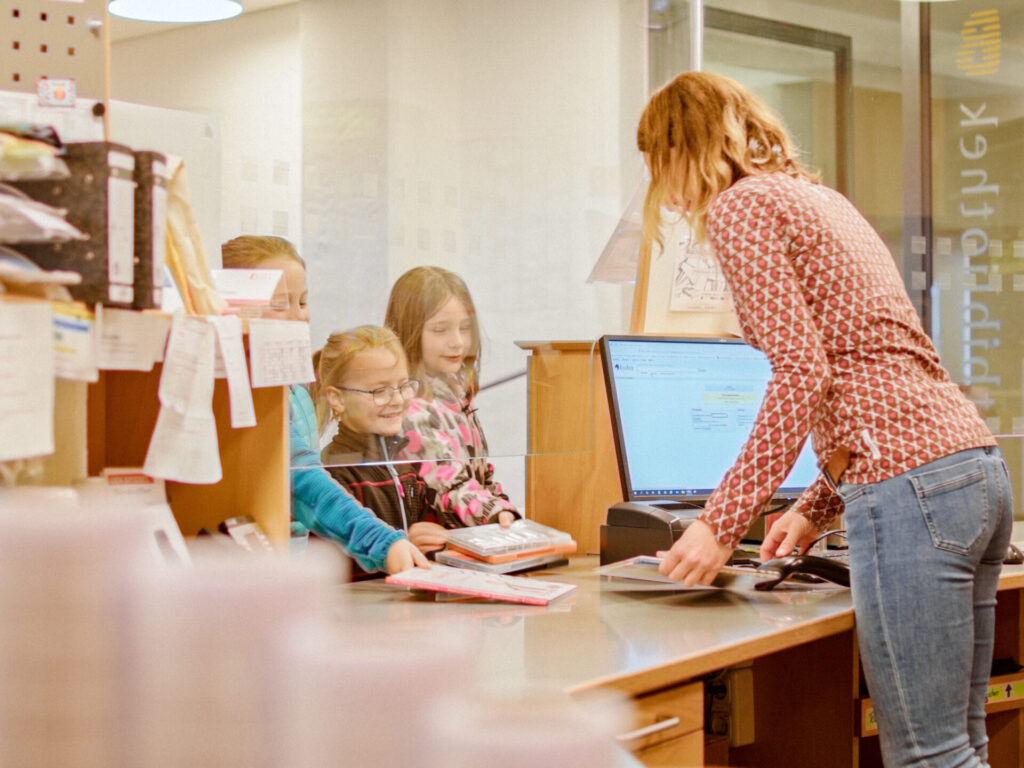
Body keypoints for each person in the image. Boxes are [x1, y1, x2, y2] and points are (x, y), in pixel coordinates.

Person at [639, 72, 1012, 767]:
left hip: (913, 490)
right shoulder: (818, 199)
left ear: (684, 149)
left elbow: (804, 373)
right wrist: (815, 508)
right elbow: (870, 369)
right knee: (964, 748)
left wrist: (720, 523)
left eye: (657, 162)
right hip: (974, 471)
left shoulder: (741, 208)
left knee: (929, 757)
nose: (661, 186)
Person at [220, 236, 428, 575]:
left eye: (302, 303)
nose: (297, 317)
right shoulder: (239, 395)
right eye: (278, 304)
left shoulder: (295, 394)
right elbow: (307, 487)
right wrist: (382, 543)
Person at [384, 266, 520, 553]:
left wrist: (505, 512)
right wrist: (496, 514)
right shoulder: (412, 407)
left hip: (465, 543)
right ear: (409, 331)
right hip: (434, 550)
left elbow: (480, 476)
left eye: (465, 328)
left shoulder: (456, 397)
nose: (457, 341)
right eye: (440, 330)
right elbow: (448, 481)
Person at [317, 324, 468, 560]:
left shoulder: (406, 465)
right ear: (337, 398)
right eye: (380, 390)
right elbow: (332, 566)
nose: (397, 400)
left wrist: (434, 540)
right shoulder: (332, 476)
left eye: (403, 386)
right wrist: (400, 547)